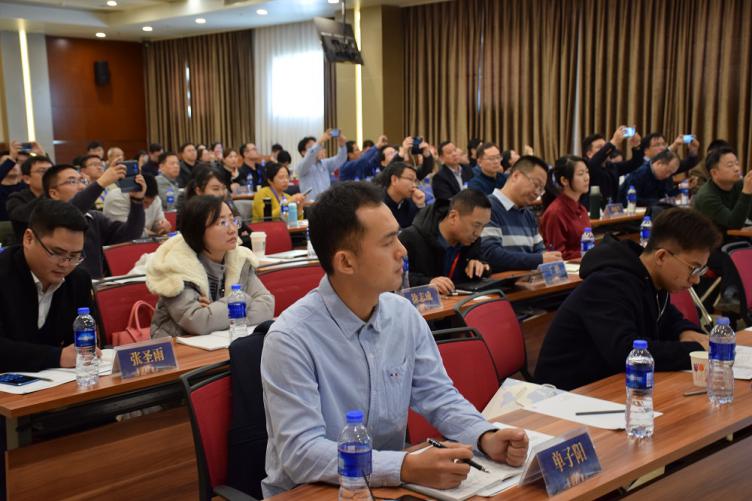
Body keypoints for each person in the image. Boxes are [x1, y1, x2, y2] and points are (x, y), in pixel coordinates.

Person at [260, 181, 529, 497]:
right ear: (345, 262)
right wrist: (404, 467)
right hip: (313, 492)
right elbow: (301, 453)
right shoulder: (291, 338)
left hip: (385, 487)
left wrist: (484, 435)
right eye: (388, 242)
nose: (402, 251)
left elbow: (438, 395)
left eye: (398, 237)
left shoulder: (403, 315)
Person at [535, 208, 719, 390]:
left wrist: (684, 331)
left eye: (701, 270)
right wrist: (694, 350)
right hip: (567, 393)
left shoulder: (653, 279)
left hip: (608, 385)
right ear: (662, 256)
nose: (696, 279)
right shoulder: (607, 284)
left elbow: (668, 317)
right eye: (693, 268)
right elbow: (625, 352)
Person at [146, 196, 273, 337]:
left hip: (221, 342)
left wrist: (215, 311)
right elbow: (199, 322)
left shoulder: (239, 259)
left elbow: (266, 305)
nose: (232, 229)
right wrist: (241, 300)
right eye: (222, 222)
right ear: (198, 230)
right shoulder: (176, 266)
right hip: (179, 345)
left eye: (233, 220)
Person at [0, 199, 94, 372]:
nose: (65, 264)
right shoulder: (4, 273)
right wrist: (57, 357)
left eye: (75, 256)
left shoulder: (78, 280)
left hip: (56, 381)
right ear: (29, 238)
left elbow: (86, 340)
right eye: (56, 253)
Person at [44, 163, 145, 278]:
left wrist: (137, 200)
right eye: (72, 181)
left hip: (94, 285)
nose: (81, 186)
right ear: (54, 193)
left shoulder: (94, 217)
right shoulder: (47, 217)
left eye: (82, 181)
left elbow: (130, 234)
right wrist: (101, 182)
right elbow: (71, 212)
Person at [399, 189, 491, 294]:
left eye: (483, 226)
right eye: (476, 225)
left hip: (459, 301)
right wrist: (427, 283)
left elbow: (481, 263)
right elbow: (396, 278)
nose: (478, 233)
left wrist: (481, 267)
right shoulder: (411, 238)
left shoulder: (471, 240)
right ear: (453, 217)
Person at [480, 156, 562, 270]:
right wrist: (539, 259)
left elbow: (540, 251)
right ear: (516, 176)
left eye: (541, 189)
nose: (537, 193)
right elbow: (491, 254)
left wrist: (549, 258)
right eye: (536, 184)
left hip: (529, 279)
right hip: (502, 280)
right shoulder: (487, 207)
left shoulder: (528, 215)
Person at [540, 155, 591, 259]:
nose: (587, 178)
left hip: (586, 262)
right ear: (564, 180)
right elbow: (557, 254)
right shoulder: (555, 213)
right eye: (580, 174)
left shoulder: (582, 209)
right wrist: (588, 254)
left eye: (587, 172)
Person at [693, 146, 752, 234]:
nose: (737, 169)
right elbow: (734, 224)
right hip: (711, 240)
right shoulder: (706, 196)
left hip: (735, 236)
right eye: (730, 165)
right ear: (714, 173)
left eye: (737, 163)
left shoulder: (738, 184)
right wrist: (746, 193)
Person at [582, 126, 644, 205]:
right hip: (593, 209)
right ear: (589, 154)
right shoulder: (586, 167)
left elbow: (635, 163)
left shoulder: (611, 166)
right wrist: (614, 142)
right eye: (600, 147)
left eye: (605, 146)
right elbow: (595, 162)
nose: (605, 149)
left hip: (614, 208)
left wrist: (636, 146)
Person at [105, 174, 171, 237]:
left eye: (151, 203)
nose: (148, 207)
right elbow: (128, 232)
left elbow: (158, 223)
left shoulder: (156, 199)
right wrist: (153, 234)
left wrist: (162, 226)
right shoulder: (116, 198)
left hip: (145, 241)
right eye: (145, 202)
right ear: (134, 193)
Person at [7, 155, 54, 240]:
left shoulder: (59, 196)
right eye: (42, 171)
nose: (50, 175)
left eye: (51, 171)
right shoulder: (16, 198)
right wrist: (48, 193)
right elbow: (22, 217)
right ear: (27, 179)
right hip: (29, 243)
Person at [294, 130, 347, 199]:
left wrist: (342, 145)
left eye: (317, 147)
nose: (317, 149)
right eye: (311, 147)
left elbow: (340, 159)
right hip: (310, 203)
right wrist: (319, 142)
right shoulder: (301, 166)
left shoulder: (325, 163)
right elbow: (309, 157)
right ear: (303, 152)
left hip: (326, 201)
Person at [378, 162, 426, 228]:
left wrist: (420, 205)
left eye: (415, 181)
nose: (414, 185)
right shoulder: (377, 204)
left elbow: (422, 228)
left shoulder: (411, 202)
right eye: (410, 179)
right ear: (394, 180)